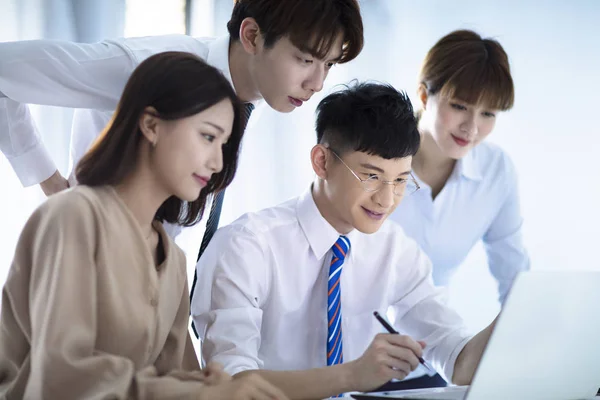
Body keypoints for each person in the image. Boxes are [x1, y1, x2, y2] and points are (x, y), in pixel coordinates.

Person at [0, 52, 288, 400]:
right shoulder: (75, 216)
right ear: (151, 125)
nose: (216, 163)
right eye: (208, 137)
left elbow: (178, 378)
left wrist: (208, 385)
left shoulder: (173, 261)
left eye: (224, 145)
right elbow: (63, 380)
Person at [191, 82, 496, 400]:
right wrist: (351, 375)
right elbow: (229, 386)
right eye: (372, 176)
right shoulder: (246, 246)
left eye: (401, 180)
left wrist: (511, 323)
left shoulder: (394, 249)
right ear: (322, 162)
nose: (386, 199)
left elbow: (458, 362)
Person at [0, 0, 364, 196]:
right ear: (252, 36)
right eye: (305, 59)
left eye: (329, 64)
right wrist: (53, 189)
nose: (317, 83)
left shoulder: (254, 96)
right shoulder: (148, 66)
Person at [389, 29, 529, 307]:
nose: (472, 128)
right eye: (460, 106)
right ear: (424, 95)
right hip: (352, 334)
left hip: (432, 336)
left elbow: (514, 279)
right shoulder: (373, 157)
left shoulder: (496, 171)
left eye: (488, 113)